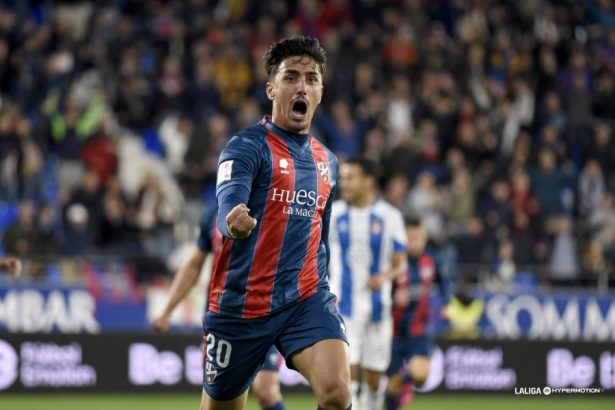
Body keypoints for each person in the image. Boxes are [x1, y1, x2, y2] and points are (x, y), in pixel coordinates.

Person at [202, 36, 351, 410]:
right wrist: (233, 220)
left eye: (311, 78)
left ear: (320, 92)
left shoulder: (328, 162)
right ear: (272, 88)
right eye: (291, 77)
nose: (302, 85)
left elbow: (321, 237)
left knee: (337, 394)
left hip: (305, 297)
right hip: (242, 305)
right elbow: (229, 201)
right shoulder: (245, 146)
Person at [151, 206, 285, 410]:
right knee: (215, 401)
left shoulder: (273, 202)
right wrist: (166, 311)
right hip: (223, 319)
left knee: (267, 391)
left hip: (263, 313)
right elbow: (194, 265)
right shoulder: (214, 212)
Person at [328, 157, 407, 410]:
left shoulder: (390, 216)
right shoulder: (334, 213)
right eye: (344, 177)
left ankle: (373, 403)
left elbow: (400, 263)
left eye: (351, 177)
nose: (345, 184)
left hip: (377, 308)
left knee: (374, 379)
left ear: (368, 181)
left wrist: (385, 277)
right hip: (343, 305)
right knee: (346, 376)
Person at [385, 218, 451, 410]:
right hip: (393, 331)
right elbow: (378, 287)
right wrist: (392, 296)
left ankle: (406, 382)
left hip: (418, 329)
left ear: (424, 239)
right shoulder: (394, 261)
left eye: (418, 238)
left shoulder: (432, 259)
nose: (415, 242)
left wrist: (446, 304)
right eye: (411, 238)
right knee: (392, 387)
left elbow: (444, 282)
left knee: (420, 375)